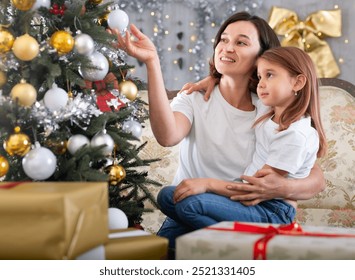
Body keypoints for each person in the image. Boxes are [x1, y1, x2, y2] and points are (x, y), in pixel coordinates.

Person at [110, 12, 325, 253]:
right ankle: (243, 243)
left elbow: (315, 178)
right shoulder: (195, 98)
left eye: (241, 42)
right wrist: (152, 62)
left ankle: (241, 243)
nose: (228, 48)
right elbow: (167, 136)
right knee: (170, 213)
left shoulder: (270, 107)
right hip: (189, 208)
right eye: (223, 40)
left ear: (262, 57)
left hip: (244, 209)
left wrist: (279, 189)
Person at [243, 46, 327, 205]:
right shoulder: (267, 110)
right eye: (260, 76)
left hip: (267, 204)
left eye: (269, 75)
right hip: (252, 196)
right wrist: (213, 78)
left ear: (297, 82)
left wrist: (209, 185)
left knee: (191, 205)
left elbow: (259, 185)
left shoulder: (294, 135)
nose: (260, 84)